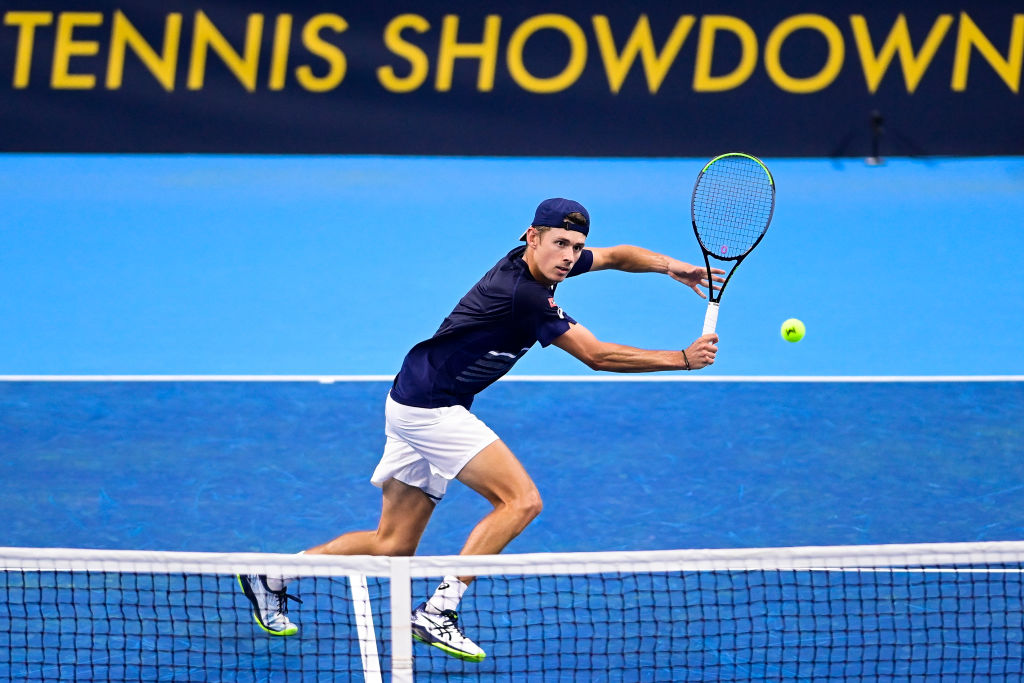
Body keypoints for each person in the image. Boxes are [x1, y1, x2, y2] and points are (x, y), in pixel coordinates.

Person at [238, 198, 723, 661]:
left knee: (393, 545)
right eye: (560, 244)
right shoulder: (525, 295)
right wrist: (681, 359)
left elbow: (618, 255)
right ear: (533, 237)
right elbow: (597, 356)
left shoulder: (547, 263)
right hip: (432, 408)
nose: (569, 257)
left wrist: (672, 266)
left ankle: (274, 574)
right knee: (521, 501)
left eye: (576, 248)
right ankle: (438, 610)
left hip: (412, 396)